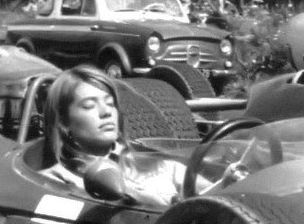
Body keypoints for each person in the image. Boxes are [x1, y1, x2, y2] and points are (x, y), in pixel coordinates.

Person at [39, 66, 243, 206]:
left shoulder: (158, 165)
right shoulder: (56, 181)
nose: (106, 112)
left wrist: (228, 183)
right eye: (89, 106)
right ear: (64, 123)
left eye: (110, 104)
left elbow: (214, 200)